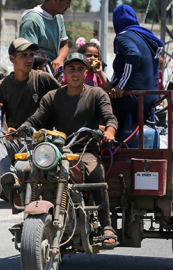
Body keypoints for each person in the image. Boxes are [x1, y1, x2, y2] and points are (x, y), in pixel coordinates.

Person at [16, 52, 119, 248]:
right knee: (29, 171)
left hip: (85, 150)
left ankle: (107, 225)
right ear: (64, 72)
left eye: (80, 69)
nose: (75, 73)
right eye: (71, 69)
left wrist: (110, 132)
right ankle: (29, 217)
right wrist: (22, 128)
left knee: (96, 175)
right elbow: (35, 119)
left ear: (85, 72)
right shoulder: (52, 97)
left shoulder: (97, 94)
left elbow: (109, 118)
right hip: (56, 150)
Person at [0, 38, 60, 196]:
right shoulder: (0, 87)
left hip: (41, 141)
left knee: (22, 168)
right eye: (23, 55)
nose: (29, 59)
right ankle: (7, 175)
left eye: (31, 55)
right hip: (17, 140)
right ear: (12, 59)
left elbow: (64, 99)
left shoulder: (42, 79)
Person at [110, 4, 165, 129]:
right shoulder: (146, 36)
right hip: (150, 98)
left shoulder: (122, 36)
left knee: (101, 112)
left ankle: (107, 147)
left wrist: (121, 86)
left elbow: (134, 55)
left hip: (131, 99)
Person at [19, 0, 70, 73]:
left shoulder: (59, 17)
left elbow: (64, 45)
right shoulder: (31, 20)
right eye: (67, 2)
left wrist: (60, 59)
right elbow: (28, 54)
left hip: (54, 70)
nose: (68, 6)